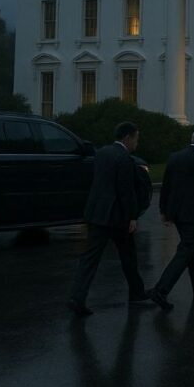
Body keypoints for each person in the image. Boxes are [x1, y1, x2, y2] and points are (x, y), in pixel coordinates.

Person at [68, 122, 148, 316]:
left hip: (97, 213)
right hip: (117, 217)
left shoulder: (102, 153)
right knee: (128, 256)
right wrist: (132, 217)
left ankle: (77, 297)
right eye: (136, 139)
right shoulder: (125, 159)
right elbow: (126, 192)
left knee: (89, 259)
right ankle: (137, 293)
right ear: (127, 138)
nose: (136, 143)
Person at [148, 130, 194, 311]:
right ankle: (161, 290)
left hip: (177, 213)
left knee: (189, 247)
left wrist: (163, 210)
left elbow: (166, 185)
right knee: (186, 250)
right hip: (193, 214)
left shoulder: (175, 157)